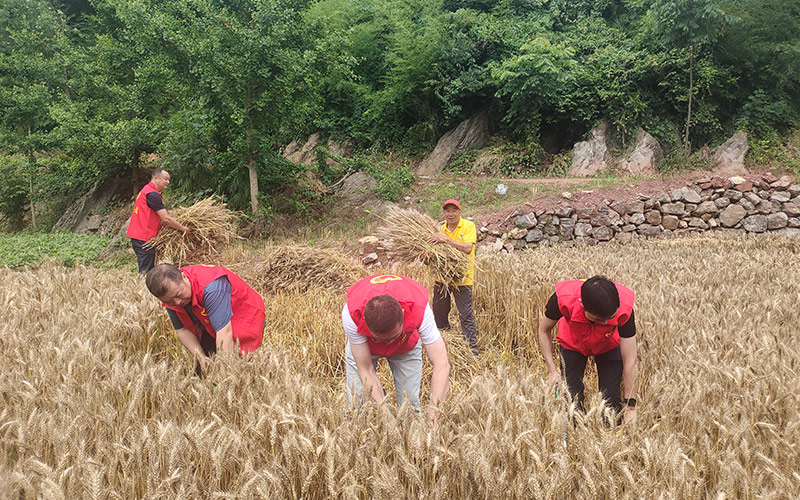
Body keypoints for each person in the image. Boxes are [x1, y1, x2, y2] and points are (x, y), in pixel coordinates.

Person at [343, 274, 451, 425]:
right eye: (383, 339)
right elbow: (365, 369)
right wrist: (386, 416)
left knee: (410, 405)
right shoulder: (351, 314)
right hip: (365, 347)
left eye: (393, 336)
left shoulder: (419, 307)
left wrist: (434, 411)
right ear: (366, 324)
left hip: (406, 346)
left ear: (402, 314)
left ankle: (411, 441)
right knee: (356, 403)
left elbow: (442, 364)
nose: (389, 343)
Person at [537, 276, 639, 425]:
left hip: (609, 344)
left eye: (610, 317)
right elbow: (543, 330)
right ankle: (575, 434)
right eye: (598, 319)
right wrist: (552, 371)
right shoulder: (563, 298)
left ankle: (609, 438)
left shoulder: (624, 308)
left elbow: (630, 360)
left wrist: (631, 408)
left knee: (611, 405)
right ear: (582, 304)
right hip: (572, 342)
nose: (605, 323)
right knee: (571, 399)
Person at [145, 263, 265, 375]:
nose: (177, 302)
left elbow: (225, 333)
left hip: (243, 315)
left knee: (242, 366)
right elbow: (182, 330)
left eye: (178, 294)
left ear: (184, 277)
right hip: (208, 320)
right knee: (203, 368)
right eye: (169, 301)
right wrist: (201, 358)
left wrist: (223, 376)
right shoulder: (171, 297)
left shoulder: (211, 287)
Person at [427, 199, 479, 356]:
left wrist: (447, 240)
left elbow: (468, 248)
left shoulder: (468, 226)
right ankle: (443, 346)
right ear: (443, 213)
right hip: (442, 279)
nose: (450, 214)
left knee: (465, 314)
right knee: (439, 312)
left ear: (459, 212)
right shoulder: (439, 230)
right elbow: (434, 256)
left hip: (462, 278)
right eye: (447, 211)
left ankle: (472, 350)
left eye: (454, 210)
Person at [126, 168, 189, 273]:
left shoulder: (146, 190)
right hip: (144, 237)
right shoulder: (152, 194)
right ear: (156, 178)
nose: (168, 182)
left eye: (168, 180)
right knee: (146, 271)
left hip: (139, 235)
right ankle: (142, 288)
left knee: (147, 269)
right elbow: (166, 219)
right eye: (165, 179)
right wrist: (183, 229)